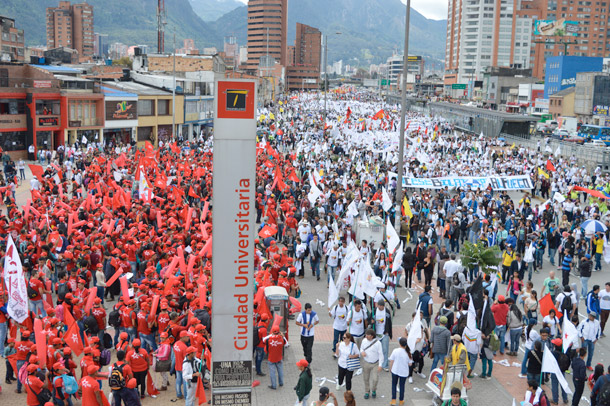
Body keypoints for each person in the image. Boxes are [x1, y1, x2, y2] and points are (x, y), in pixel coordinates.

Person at [360, 328, 383, 399]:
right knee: (366, 378)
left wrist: (380, 365)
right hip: (366, 362)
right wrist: (362, 352)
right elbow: (361, 348)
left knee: (375, 379)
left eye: (368, 335)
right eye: (366, 334)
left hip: (375, 363)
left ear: (372, 336)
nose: (366, 336)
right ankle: (367, 391)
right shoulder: (364, 341)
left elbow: (381, 354)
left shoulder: (378, 343)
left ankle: (374, 390)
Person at [389, 337, 413, 406]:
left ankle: (393, 400)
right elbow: (410, 364)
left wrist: (391, 368)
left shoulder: (395, 350)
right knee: (402, 386)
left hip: (395, 370)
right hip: (404, 372)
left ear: (399, 343)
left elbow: (391, 361)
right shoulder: (408, 353)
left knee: (394, 385)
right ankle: (401, 401)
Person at [372, 298, 393, 370]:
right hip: (376, 334)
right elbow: (370, 319)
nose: (379, 307)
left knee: (385, 349)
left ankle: (385, 365)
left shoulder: (387, 311)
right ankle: (376, 363)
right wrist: (371, 321)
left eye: (381, 306)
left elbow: (389, 323)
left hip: (384, 333)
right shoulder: (374, 311)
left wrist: (390, 333)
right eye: (378, 305)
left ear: (383, 306)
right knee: (376, 350)